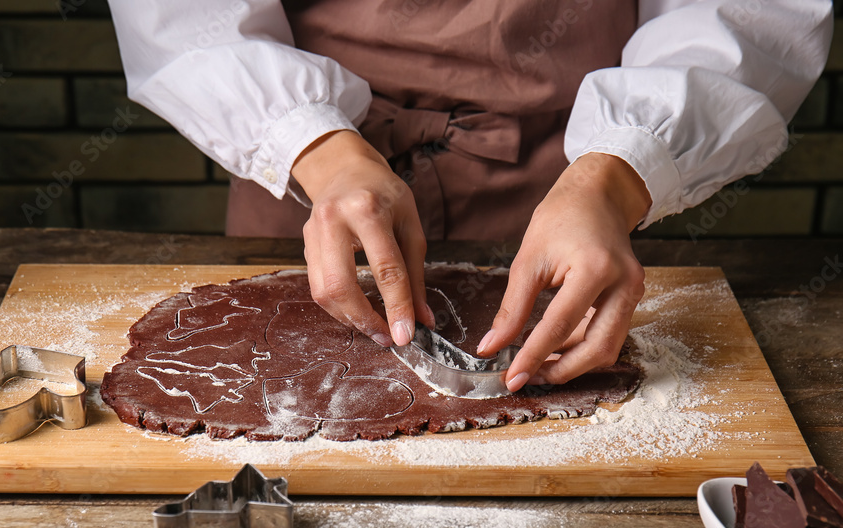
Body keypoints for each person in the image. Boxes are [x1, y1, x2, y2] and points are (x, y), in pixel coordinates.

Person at [107, 0, 833, 392]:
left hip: (569, 173)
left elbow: (749, 10)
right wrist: (314, 146)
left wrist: (616, 175)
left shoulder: (603, 176)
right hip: (309, 183)